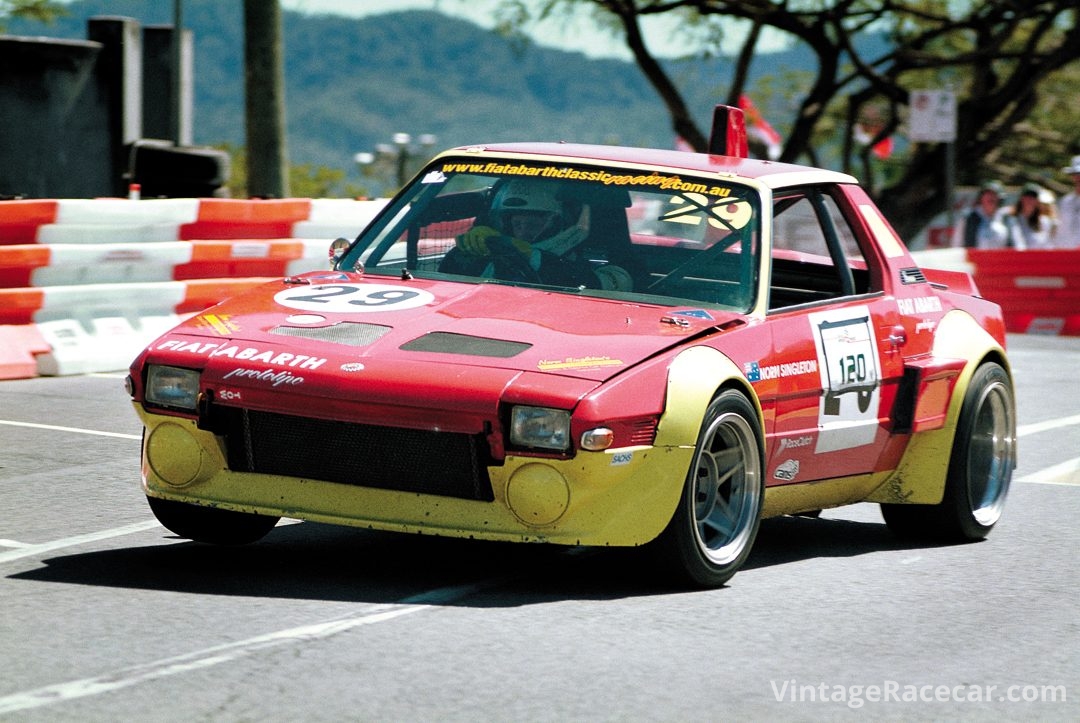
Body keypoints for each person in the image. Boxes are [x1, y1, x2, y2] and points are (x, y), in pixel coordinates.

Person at [439, 179, 635, 290]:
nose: (523, 232)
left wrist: (531, 256)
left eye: (533, 223)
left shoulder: (611, 266)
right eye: (517, 223)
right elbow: (445, 285)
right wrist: (467, 253)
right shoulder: (495, 252)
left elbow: (587, 283)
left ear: (562, 221)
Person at [959, 181, 1010, 249]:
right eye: (987, 194)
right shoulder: (968, 218)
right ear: (981, 197)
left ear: (1000, 198)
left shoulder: (1006, 219)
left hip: (1000, 259)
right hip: (974, 259)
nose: (990, 197)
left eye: (994, 194)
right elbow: (957, 245)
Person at [1005, 184, 1054, 249]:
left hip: (1039, 257)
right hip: (1019, 257)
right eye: (1027, 196)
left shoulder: (1045, 221)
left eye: (1033, 197)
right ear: (1021, 199)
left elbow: (1047, 245)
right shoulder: (1013, 220)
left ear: (1037, 201)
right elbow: (1017, 242)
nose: (1030, 199)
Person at [1053, 155, 1080, 248]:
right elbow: (1061, 232)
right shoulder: (1065, 202)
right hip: (1067, 256)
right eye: (1075, 174)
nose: (1078, 177)